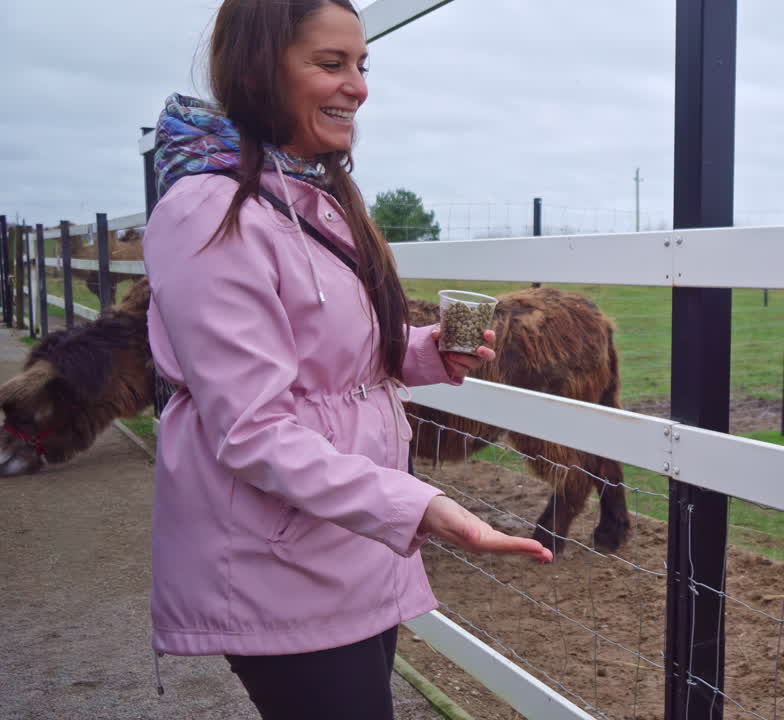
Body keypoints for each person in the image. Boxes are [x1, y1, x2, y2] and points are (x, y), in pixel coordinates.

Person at [143, 1, 552, 717]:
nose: (358, 86)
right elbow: (252, 430)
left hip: (345, 537)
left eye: (361, 65)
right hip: (280, 562)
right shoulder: (211, 212)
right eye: (330, 64)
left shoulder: (309, 192)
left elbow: (321, 355)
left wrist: (423, 351)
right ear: (257, 71)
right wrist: (420, 504)